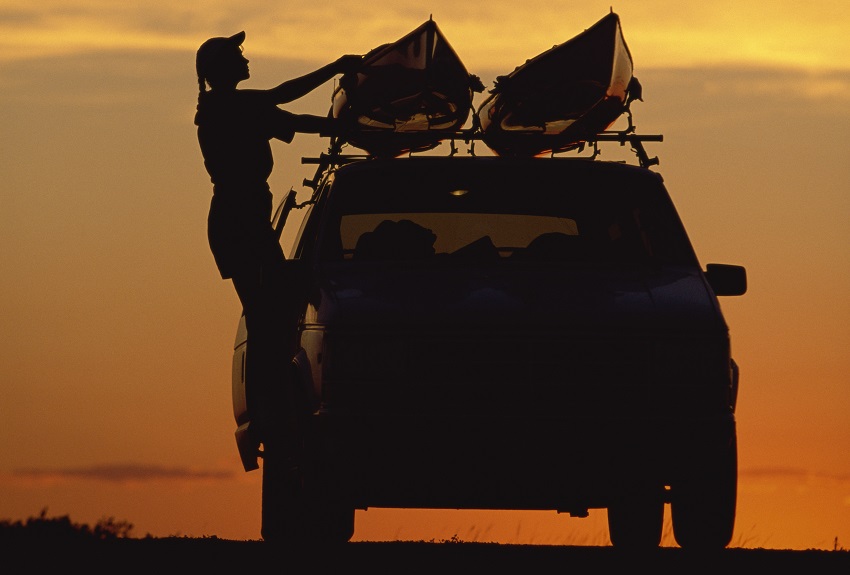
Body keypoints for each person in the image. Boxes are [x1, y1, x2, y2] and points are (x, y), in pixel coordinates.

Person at [194, 31, 361, 432]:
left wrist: (336, 95)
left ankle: (271, 406)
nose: (245, 57)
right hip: (240, 221)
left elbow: (284, 107)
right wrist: (336, 72)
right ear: (222, 67)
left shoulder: (228, 106)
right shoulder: (229, 107)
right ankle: (270, 409)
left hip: (239, 220)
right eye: (238, 54)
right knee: (267, 315)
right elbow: (289, 104)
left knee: (268, 314)